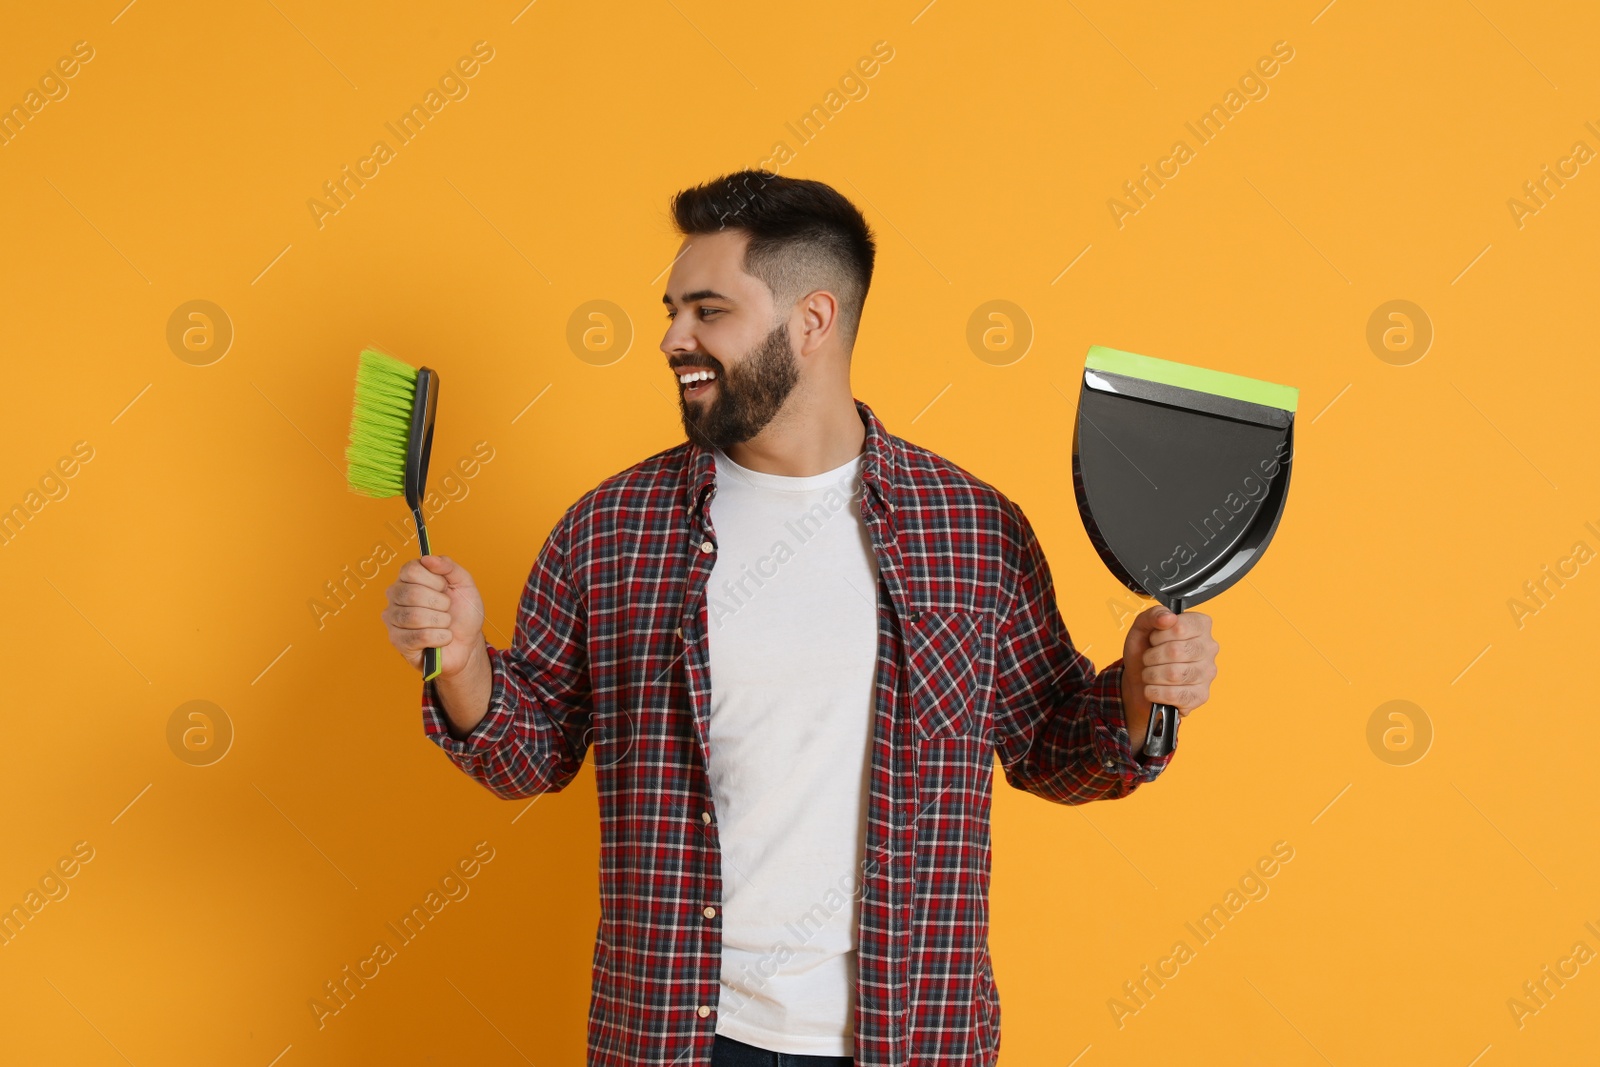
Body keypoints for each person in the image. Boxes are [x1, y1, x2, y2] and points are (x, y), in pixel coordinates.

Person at [382, 169, 1219, 1067]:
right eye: (672, 309)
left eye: (708, 310)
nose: (672, 336)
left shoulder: (971, 530)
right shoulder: (614, 529)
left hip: (911, 1037)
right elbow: (531, 753)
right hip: (677, 1036)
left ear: (813, 321)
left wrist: (1136, 695)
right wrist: (462, 659)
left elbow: (1052, 748)